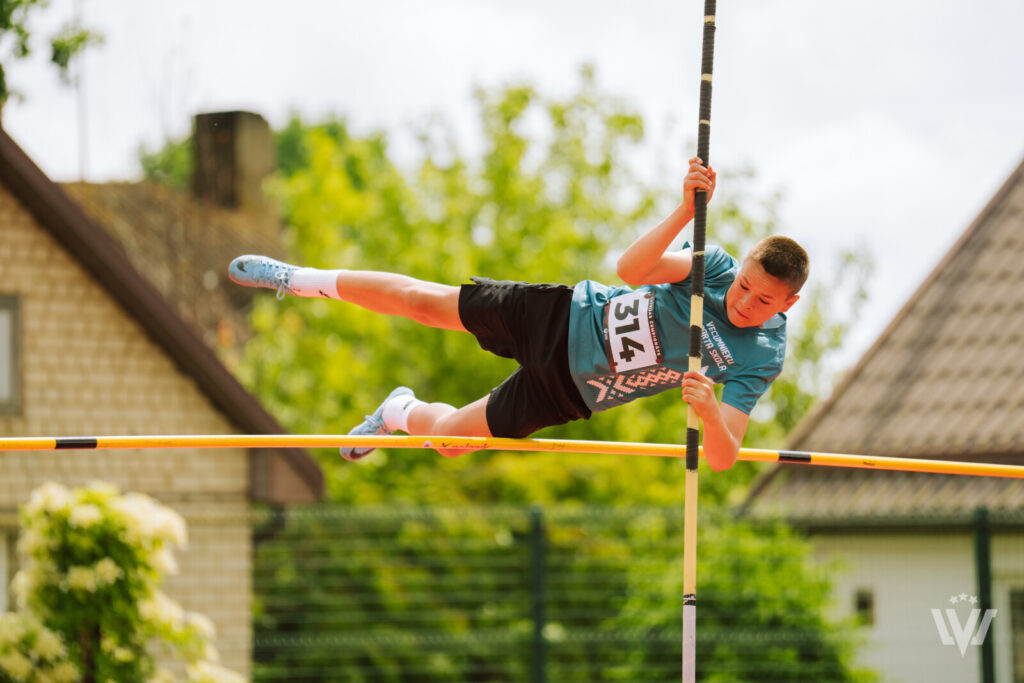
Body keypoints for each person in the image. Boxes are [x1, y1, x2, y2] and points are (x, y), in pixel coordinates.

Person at [228, 158, 807, 471]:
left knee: (450, 442)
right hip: (564, 317)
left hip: (575, 390)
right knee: (425, 304)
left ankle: (398, 412)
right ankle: (297, 279)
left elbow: (724, 457)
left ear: (789, 304)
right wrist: (684, 211)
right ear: (743, 267)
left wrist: (707, 412)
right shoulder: (715, 267)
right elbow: (632, 269)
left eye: (762, 301)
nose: (743, 302)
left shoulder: (762, 356)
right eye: (746, 287)